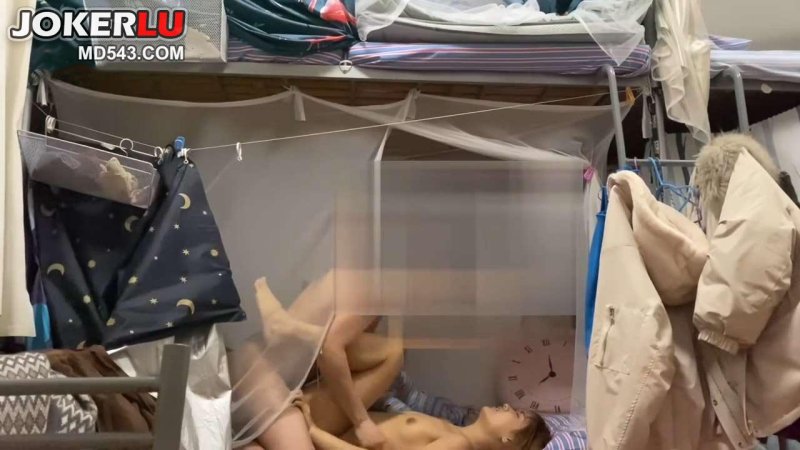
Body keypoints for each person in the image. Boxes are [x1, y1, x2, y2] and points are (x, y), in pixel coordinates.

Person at [234, 272, 551, 450]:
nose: (507, 406)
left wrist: (314, 430)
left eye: (517, 414)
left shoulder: (458, 444)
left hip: (321, 430)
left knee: (390, 348)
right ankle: (295, 333)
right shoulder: (452, 429)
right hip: (326, 419)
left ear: (508, 440)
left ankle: (294, 333)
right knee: (393, 349)